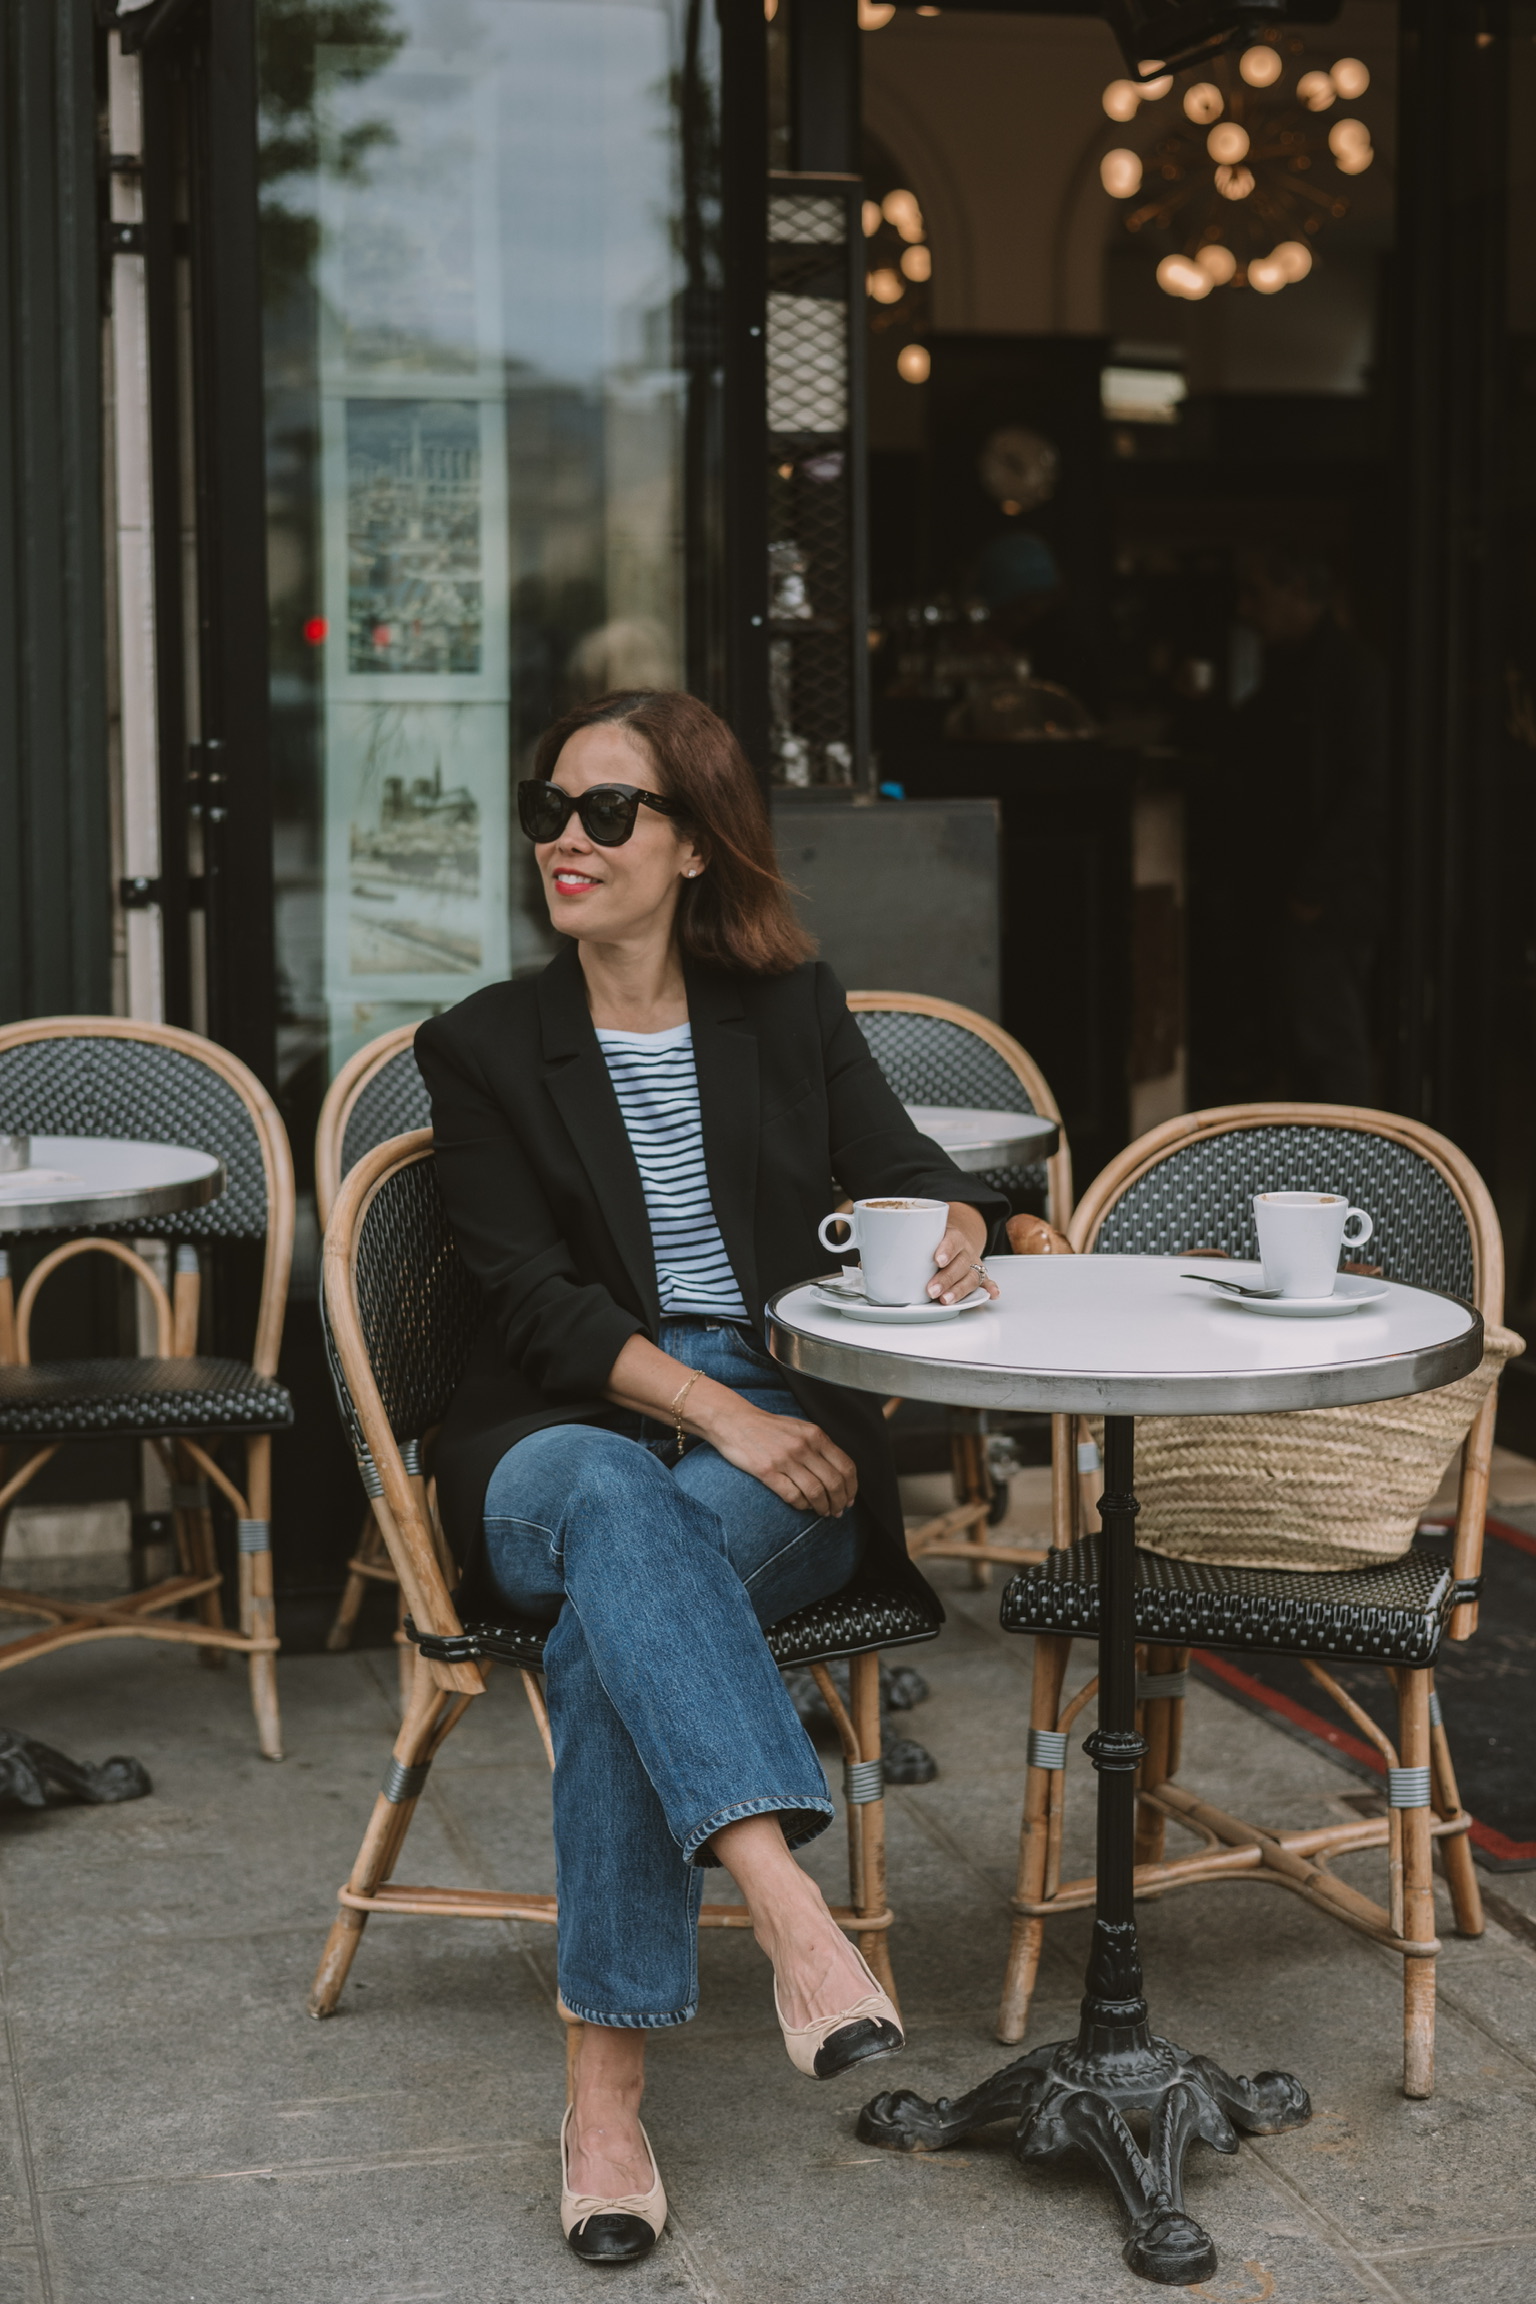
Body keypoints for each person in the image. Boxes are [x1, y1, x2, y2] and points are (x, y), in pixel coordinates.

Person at [415, 689, 1006, 2266]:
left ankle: (605, 2109)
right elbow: (535, 1303)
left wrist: (957, 1226)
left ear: (692, 845)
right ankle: (794, 1917)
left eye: (608, 811)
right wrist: (716, 1418)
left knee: (615, 1623)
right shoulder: (482, 1044)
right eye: (550, 808)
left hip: (774, 1421)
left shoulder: (787, 1007)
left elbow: (912, 1173)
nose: (567, 837)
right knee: (616, 1503)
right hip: (557, 1431)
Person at [1228, 545, 1390, 1104]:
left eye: (1256, 593)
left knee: (1329, 1044)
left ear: (1297, 591)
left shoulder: (1349, 675)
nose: (1245, 609)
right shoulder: (1293, 668)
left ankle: (1345, 1156)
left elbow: (1368, 793)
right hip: (1298, 889)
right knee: (1301, 1043)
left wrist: (1311, 889)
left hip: (1327, 896)